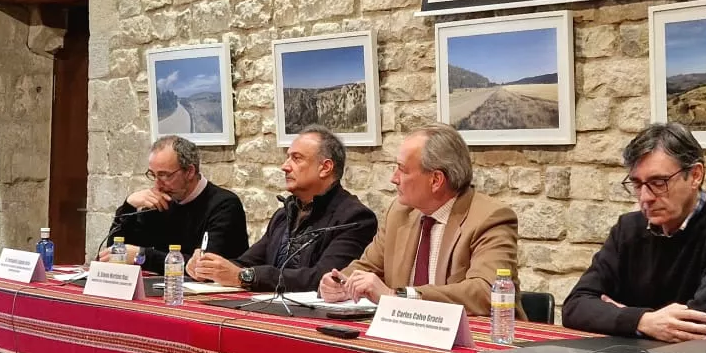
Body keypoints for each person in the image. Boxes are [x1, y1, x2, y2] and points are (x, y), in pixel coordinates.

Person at [562, 122, 706, 344]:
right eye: (637, 184)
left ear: (695, 175)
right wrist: (643, 321)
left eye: (658, 182)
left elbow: (704, 326)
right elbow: (575, 306)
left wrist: (620, 316)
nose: (645, 197)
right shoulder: (628, 228)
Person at [318, 125, 518, 317]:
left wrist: (398, 297)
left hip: (475, 341)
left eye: (402, 170)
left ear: (436, 180)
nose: (394, 179)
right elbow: (367, 267)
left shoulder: (489, 218)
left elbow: (487, 291)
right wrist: (340, 283)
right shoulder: (400, 212)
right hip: (408, 335)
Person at [187, 127, 376, 293]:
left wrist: (244, 276)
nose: (284, 167)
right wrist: (210, 268)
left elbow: (323, 278)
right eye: (287, 158)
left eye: (296, 158)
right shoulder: (284, 214)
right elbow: (247, 263)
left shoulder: (355, 218)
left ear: (325, 168)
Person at [100, 135, 249, 271]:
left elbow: (203, 266)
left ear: (189, 172)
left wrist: (142, 256)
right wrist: (129, 206)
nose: (157, 185)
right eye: (153, 175)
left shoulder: (224, 205)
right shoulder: (160, 201)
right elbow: (115, 253)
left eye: (164, 175)